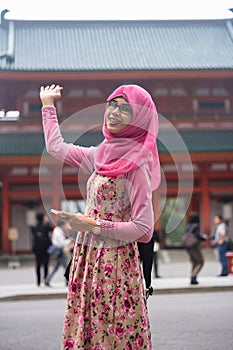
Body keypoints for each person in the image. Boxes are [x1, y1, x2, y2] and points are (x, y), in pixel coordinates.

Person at [40, 83, 161, 349]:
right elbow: (56, 147)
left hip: (115, 261)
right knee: (87, 323)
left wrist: (94, 225)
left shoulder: (137, 167)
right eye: (112, 105)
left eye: (125, 109)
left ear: (139, 119)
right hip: (87, 257)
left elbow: (143, 228)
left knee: (113, 329)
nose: (114, 112)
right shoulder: (99, 155)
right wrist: (48, 106)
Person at [45, 219, 73, 287]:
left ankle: (47, 280)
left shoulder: (57, 230)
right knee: (66, 267)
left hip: (59, 251)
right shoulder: (58, 232)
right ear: (62, 225)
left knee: (56, 267)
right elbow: (61, 243)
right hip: (59, 251)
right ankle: (67, 281)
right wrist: (69, 240)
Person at [184, 212, 206, 285]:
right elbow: (197, 236)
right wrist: (204, 239)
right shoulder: (196, 226)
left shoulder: (188, 226)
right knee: (200, 261)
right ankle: (194, 276)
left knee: (194, 262)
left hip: (188, 247)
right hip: (194, 246)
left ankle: (193, 277)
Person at [31, 212, 53, 286]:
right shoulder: (46, 227)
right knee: (46, 265)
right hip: (46, 248)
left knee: (38, 265)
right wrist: (47, 221)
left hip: (37, 249)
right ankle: (46, 280)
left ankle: (38, 281)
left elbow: (33, 238)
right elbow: (51, 229)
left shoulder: (34, 227)